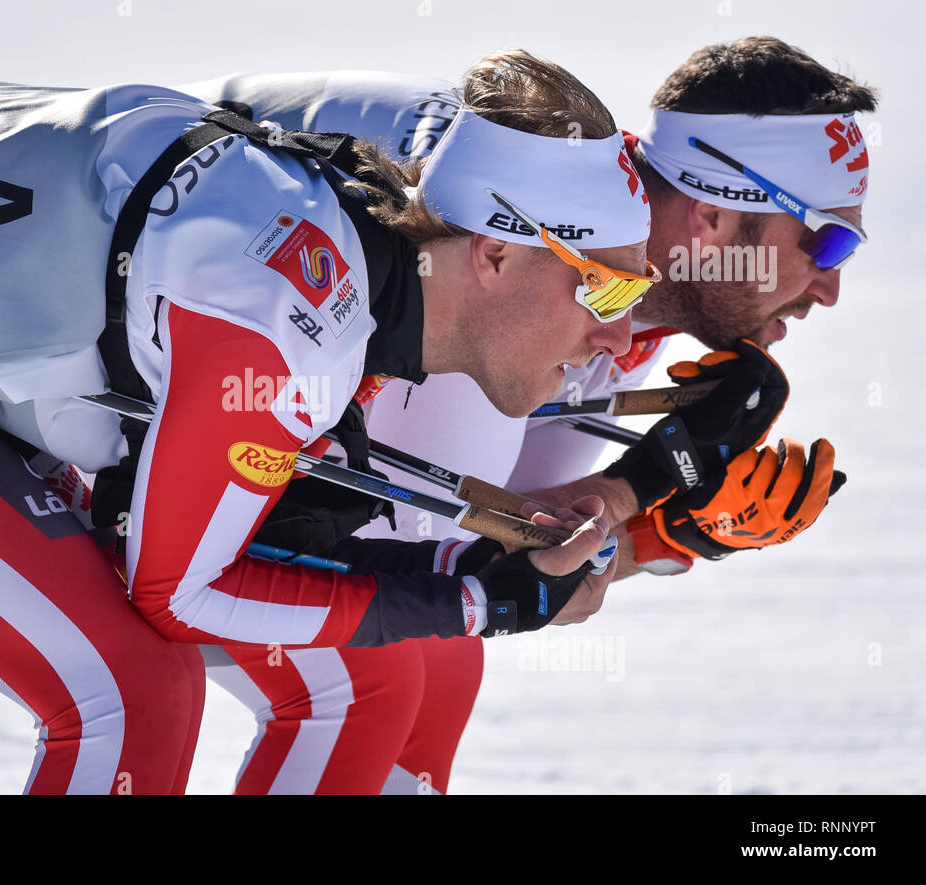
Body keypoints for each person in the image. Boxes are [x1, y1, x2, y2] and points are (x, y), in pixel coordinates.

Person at [0, 50, 645, 793]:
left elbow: (249, 542)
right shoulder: (292, 326)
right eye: (603, 291)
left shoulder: (363, 282)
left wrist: (475, 588)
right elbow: (182, 595)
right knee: (126, 687)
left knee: (291, 671)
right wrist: (477, 604)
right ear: (497, 256)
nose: (622, 335)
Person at [180, 36, 865, 793]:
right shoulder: (537, 260)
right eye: (828, 241)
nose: (830, 288)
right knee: (377, 678)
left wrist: (669, 532)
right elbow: (426, 548)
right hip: (87, 370)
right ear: (709, 216)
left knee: (439, 665)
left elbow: (511, 534)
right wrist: (641, 525)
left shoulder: (616, 285)